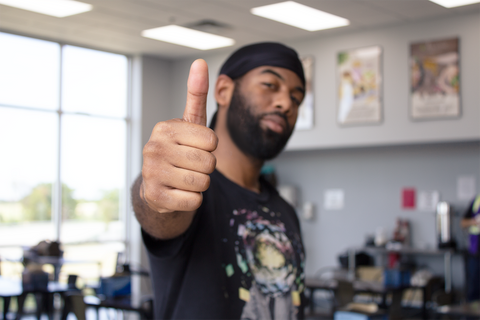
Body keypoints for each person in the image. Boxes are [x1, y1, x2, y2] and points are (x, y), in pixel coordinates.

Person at [131, 42, 307, 320]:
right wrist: (155, 193)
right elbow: (161, 212)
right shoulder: (193, 192)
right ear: (224, 90)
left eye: (296, 98)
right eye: (270, 85)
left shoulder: (285, 212)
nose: (286, 103)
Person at [461, 194, 480, 301]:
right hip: (475, 253)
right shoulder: (477, 200)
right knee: (473, 289)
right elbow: (463, 223)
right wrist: (474, 221)